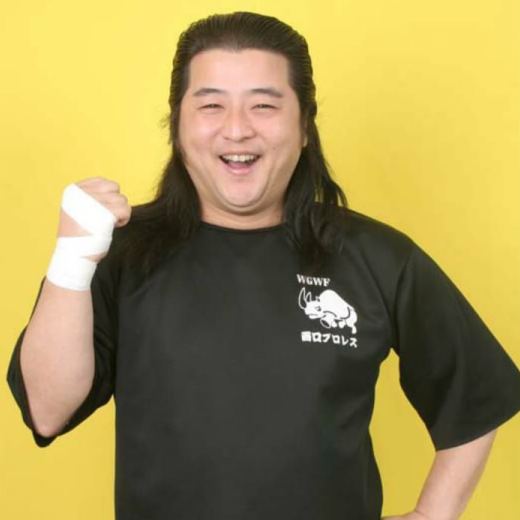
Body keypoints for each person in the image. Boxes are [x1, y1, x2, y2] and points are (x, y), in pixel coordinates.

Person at [6, 11, 520, 520]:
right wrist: (72, 259)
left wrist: (433, 514)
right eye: (211, 105)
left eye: (264, 106)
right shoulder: (118, 250)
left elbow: (477, 390)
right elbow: (48, 411)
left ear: (304, 127)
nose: (236, 129)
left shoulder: (376, 256)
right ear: (177, 125)